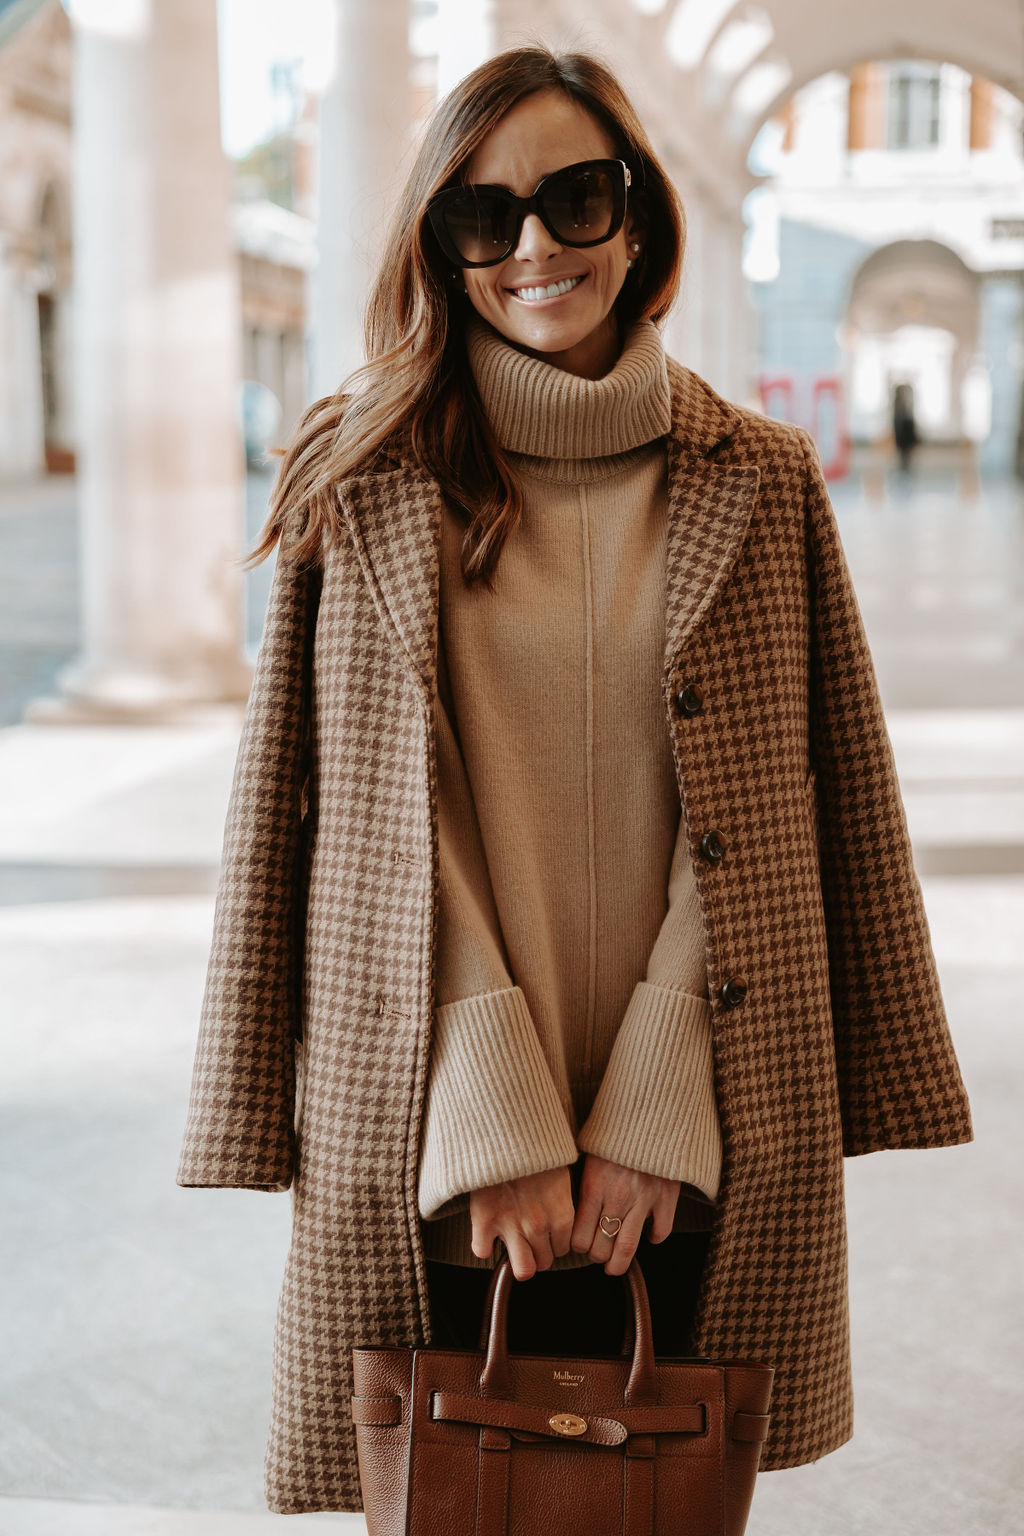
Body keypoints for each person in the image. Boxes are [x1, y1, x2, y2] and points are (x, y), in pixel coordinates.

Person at [176, 45, 973, 1517]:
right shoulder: (361, 477)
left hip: (702, 1117)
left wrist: (660, 1107)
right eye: (484, 216)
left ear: (640, 216)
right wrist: (496, 1121)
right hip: (434, 1124)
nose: (535, 245)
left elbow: (799, 803)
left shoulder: (766, 477)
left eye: (574, 197)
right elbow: (347, 820)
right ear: (441, 244)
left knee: (660, 1505)